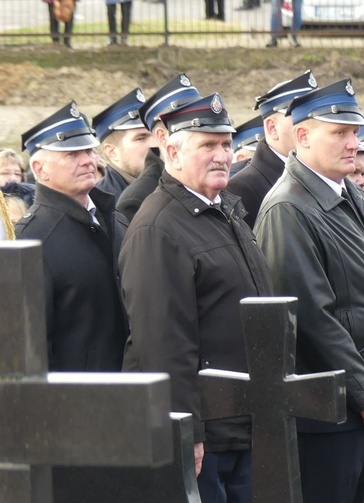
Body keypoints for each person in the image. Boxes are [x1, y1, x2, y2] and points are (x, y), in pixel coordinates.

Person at [254, 79, 364, 503]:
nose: (353, 143)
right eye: (339, 133)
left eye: (355, 133)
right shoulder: (289, 207)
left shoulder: (351, 195)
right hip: (330, 415)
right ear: (301, 136)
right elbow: (312, 317)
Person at [119, 93, 273, 503]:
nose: (222, 154)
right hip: (207, 434)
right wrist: (186, 433)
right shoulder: (158, 228)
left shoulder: (225, 212)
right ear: (171, 151)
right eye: (207, 145)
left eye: (226, 144)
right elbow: (162, 343)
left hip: (245, 421)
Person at [15, 101, 129, 371]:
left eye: (89, 150)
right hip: (76, 398)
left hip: (130, 384)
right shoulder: (32, 240)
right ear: (40, 169)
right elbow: (31, 343)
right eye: (72, 154)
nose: (88, 160)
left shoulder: (114, 217)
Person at [227, 70, 317, 228]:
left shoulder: (320, 173)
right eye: (299, 118)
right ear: (272, 128)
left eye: (314, 118)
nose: (311, 126)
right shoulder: (243, 187)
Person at [117, 73, 201, 221]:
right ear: (163, 136)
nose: (201, 133)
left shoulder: (211, 180)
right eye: (188, 126)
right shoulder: (138, 198)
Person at [93, 88, 157, 201]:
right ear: (112, 152)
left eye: (155, 135)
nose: (155, 144)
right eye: (141, 138)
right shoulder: (106, 202)